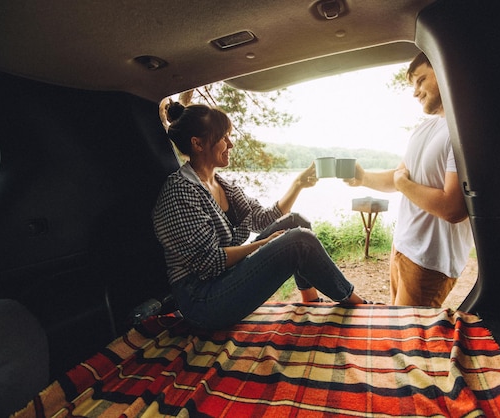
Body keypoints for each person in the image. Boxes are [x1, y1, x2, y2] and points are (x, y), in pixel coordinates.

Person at [152, 102, 371, 330]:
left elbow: (263, 219)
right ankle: (356, 303)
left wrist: (298, 185)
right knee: (299, 241)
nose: (231, 144)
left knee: (296, 222)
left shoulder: (224, 186)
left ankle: (310, 300)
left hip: (224, 279)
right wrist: (263, 245)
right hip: (203, 302)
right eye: (223, 138)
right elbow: (209, 263)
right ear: (197, 143)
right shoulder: (180, 192)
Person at [345, 53, 473, 307]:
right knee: (396, 325)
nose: (415, 92)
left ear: (444, 69)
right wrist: (362, 178)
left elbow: (453, 208)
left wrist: (404, 184)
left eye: (420, 80)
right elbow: (397, 177)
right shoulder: (424, 129)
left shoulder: (465, 130)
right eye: (412, 84)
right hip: (402, 246)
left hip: (430, 260)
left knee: (407, 341)